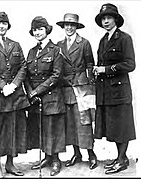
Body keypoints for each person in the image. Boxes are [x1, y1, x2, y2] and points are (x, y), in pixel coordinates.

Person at [0, 12, 30, 177]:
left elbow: (23, 66)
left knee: (13, 128)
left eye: (4, 23)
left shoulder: (15, 45)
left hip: (14, 95)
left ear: (8, 26)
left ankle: (10, 164)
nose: (1, 26)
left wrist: (15, 85)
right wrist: (3, 86)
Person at [93, 3, 136, 174]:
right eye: (103, 18)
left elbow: (130, 64)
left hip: (120, 90)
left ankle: (121, 159)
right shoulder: (104, 40)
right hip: (107, 90)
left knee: (122, 125)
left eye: (109, 18)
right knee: (114, 126)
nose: (106, 21)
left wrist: (106, 69)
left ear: (116, 19)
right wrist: (97, 70)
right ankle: (121, 158)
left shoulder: (124, 38)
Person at [24, 16, 66, 176]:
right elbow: (26, 75)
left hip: (52, 97)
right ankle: (47, 157)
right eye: (35, 30)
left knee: (52, 128)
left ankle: (55, 160)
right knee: (41, 128)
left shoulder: (55, 50)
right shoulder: (32, 51)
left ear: (47, 30)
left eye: (40, 29)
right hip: (36, 99)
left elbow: (56, 76)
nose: (37, 32)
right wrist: (30, 92)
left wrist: (36, 91)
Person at [56, 13, 97, 170]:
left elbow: (89, 65)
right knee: (70, 123)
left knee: (84, 123)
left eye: (72, 25)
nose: (69, 27)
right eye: (66, 25)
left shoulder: (84, 43)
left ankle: (91, 155)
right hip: (66, 88)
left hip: (81, 88)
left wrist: (89, 85)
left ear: (76, 27)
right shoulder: (59, 45)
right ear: (63, 27)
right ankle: (77, 153)